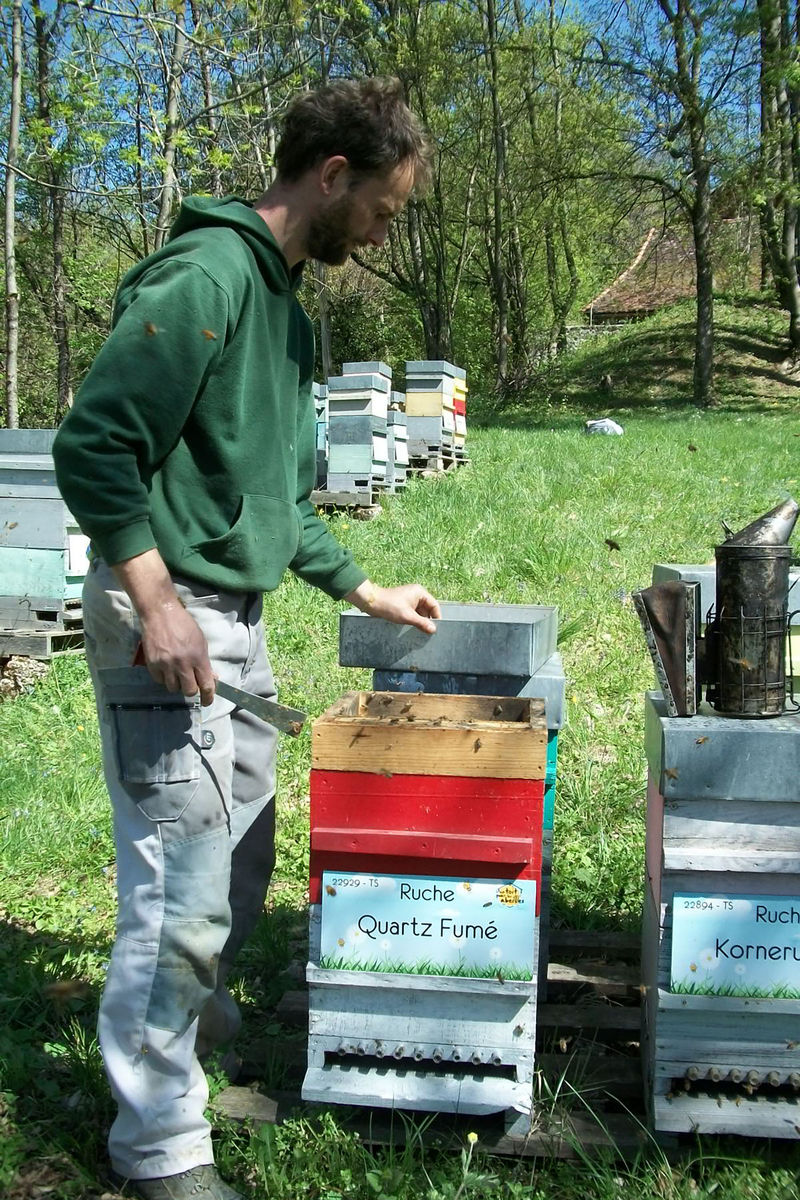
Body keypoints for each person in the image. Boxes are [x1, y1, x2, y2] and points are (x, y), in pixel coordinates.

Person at [53, 77, 440, 1200]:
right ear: (331, 176)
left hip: (236, 619)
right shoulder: (207, 276)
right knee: (180, 887)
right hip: (164, 620)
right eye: (384, 206)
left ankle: (184, 1037)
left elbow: (275, 496)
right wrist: (158, 599)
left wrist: (362, 588)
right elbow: (93, 450)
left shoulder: (284, 312)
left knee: (242, 852)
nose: (381, 231)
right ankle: (158, 1147)